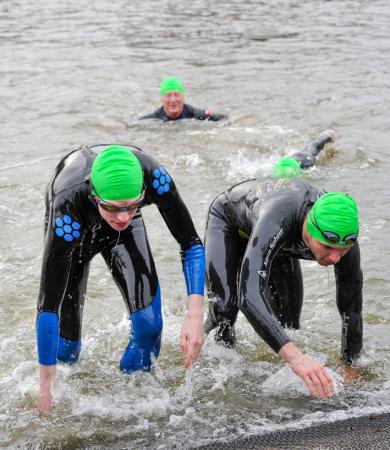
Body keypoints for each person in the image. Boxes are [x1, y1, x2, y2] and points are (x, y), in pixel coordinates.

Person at [36, 144, 205, 412]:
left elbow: (191, 243)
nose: (124, 217)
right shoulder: (68, 205)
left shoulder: (154, 177)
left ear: (142, 193)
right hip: (76, 231)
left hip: (123, 231)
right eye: (113, 209)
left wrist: (195, 315)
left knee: (149, 326)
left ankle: (136, 407)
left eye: (133, 206)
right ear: (95, 197)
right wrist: (45, 393)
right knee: (66, 350)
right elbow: (48, 305)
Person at [204, 131, 362, 400]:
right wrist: (297, 359)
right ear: (309, 230)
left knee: (288, 326)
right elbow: (248, 295)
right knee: (225, 314)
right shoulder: (279, 217)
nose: (336, 257)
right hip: (230, 224)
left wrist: (350, 365)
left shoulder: (342, 235)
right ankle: (215, 389)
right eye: (327, 248)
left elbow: (351, 306)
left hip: (280, 242)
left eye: (342, 249)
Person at [140, 77, 225, 122]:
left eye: (176, 94)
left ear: (183, 97)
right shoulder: (154, 118)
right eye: (168, 95)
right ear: (162, 99)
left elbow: (224, 119)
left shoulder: (195, 114)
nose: (173, 100)